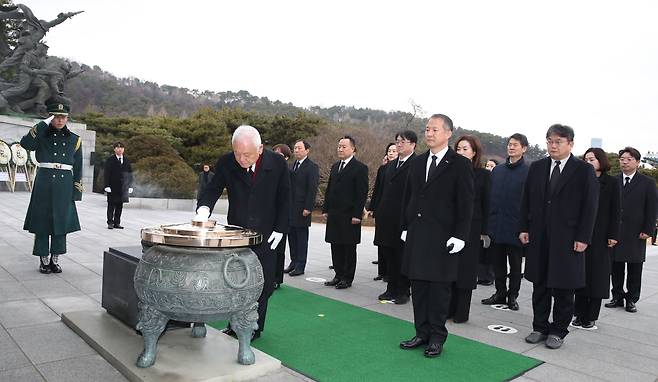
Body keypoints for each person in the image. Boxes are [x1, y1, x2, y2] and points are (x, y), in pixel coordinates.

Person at [195, 125, 291, 340]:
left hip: (268, 233)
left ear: (260, 149)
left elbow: (286, 198)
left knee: (263, 283)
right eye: (237, 153)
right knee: (236, 280)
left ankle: (254, 326)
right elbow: (212, 188)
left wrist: (281, 229)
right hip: (238, 231)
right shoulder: (227, 162)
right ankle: (234, 325)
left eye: (246, 154)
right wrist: (203, 209)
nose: (241, 159)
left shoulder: (277, 164)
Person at [399, 114, 474, 358]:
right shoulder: (418, 162)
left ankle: (437, 337)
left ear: (448, 133)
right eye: (427, 129)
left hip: (444, 239)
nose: (429, 134)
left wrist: (460, 235)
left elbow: (466, 204)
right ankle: (421, 332)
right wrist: (405, 226)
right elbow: (409, 198)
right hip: (418, 235)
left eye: (434, 129)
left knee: (439, 291)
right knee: (418, 287)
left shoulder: (460, 164)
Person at [520, 124, 598, 349]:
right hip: (539, 235)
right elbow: (526, 200)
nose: (553, 146)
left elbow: (590, 206)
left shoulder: (583, 170)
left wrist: (584, 237)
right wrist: (524, 227)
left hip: (568, 237)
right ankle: (539, 326)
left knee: (564, 286)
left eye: (558, 142)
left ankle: (559, 330)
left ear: (570, 144)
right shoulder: (537, 167)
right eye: (549, 141)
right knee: (540, 284)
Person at [19, 102, 82, 274]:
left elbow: (78, 168)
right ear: (50, 117)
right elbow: (25, 143)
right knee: (42, 221)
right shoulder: (42, 135)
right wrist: (42, 124)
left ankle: (55, 258)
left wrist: (77, 191)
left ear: (67, 118)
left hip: (64, 185)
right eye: (56, 116)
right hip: (44, 182)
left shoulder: (75, 139)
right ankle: (43, 259)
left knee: (61, 222)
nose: (60, 120)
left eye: (63, 117)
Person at [572, 148, 621, 328]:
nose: (588, 162)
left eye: (592, 159)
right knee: (580, 274)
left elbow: (616, 211)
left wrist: (613, 234)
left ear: (601, 161)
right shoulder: (580, 180)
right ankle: (578, 313)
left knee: (597, 277)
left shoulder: (612, 183)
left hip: (601, 236)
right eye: (586, 159)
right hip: (581, 234)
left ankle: (591, 315)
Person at [606, 147, 658, 313]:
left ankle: (631, 299)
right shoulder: (613, 181)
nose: (624, 162)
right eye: (622, 159)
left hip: (636, 232)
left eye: (628, 159)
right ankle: (617, 296)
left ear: (637, 161)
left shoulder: (647, 183)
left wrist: (648, 229)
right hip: (616, 231)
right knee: (616, 266)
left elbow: (652, 208)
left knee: (635, 267)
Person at [482, 134, 530, 311]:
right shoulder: (499, 170)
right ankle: (500, 292)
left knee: (516, 265)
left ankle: (513, 296)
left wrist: (525, 226)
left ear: (524, 148)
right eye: (509, 144)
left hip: (516, 227)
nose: (511, 147)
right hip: (496, 225)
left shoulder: (528, 171)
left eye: (515, 145)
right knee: (498, 263)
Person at [371, 131, 417, 304]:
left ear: (413, 144)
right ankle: (391, 288)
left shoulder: (417, 164)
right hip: (386, 217)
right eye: (397, 141)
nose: (398, 145)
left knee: (402, 256)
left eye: (402, 142)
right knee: (389, 254)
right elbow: (381, 190)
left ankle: (403, 291)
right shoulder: (390, 165)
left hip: (404, 217)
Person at [450, 135, 490, 322]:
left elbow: (487, 203)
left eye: (465, 149)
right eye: (458, 149)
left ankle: (461, 312)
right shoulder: (449, 171)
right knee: (450, 267)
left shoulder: (483, 175)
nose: (461, 152)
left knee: (465, 270)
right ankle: (448, 308)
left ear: (474, 153)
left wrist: (485, 231)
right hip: (451, 225)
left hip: (472, 227)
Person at [322, 136, 369, 290]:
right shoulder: (335, 166)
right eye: (339, 146)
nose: (340, 149)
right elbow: (329, 190)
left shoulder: (360, 168)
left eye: (343, 147)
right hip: (334, 214)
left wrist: (357, 214)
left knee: (348, 247)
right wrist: (326, 209)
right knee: (335, 245)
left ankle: (347, 278)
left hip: (350, 216)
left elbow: (361, 193)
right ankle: (338, 274)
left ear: (353, 149)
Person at [284, 140, 319, 277]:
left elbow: (312, 188)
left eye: (299, 148)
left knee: (301, 237)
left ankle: (300, 264)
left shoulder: (312, 167)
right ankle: (293, 261)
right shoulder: (292, 166)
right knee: (291, 236)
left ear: (307, 150)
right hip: (291, 207)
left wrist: (308, 207)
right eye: (295, 148)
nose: (296, 150)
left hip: (302, 208)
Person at [367, 142, 398, 282]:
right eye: (389, 150)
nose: (391, 153)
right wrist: (372, 208)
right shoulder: (382, 168)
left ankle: (389, 273)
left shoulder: (399, 168)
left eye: (394, 151)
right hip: (380, 209)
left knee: (389, 242)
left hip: (392, 212)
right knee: (380, 241)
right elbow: (377, 190)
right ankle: (382, 271)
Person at [272, 143, 292, 289]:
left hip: (282, 215)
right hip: (269, 215)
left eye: (279, 154)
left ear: (286, 157)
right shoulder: (269, 171)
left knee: (279, 249)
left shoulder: (289, 172)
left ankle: (277, 278)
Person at [478, 158, 498, 285]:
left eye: (492, 166)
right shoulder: (482, 178)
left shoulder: (496, 181)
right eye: (487, 165)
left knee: (490, 251)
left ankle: (490, 276)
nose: (489, 168)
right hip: (481, 220)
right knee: (481, 251)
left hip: (492, 221)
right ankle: (481, 275)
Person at [103, 142, 133, 229]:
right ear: (114, 149)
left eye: (121, 148)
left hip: (123, 187)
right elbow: (106, 173)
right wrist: (106, 185)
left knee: (120, 205)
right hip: (112, 186)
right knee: (111, 205)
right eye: (117, 147)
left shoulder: (126, 160)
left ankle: (117, 222)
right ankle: (110, 222)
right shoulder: (110, 160)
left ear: (123, 149)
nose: (119, 149)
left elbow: (130, 173)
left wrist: (130, 186)